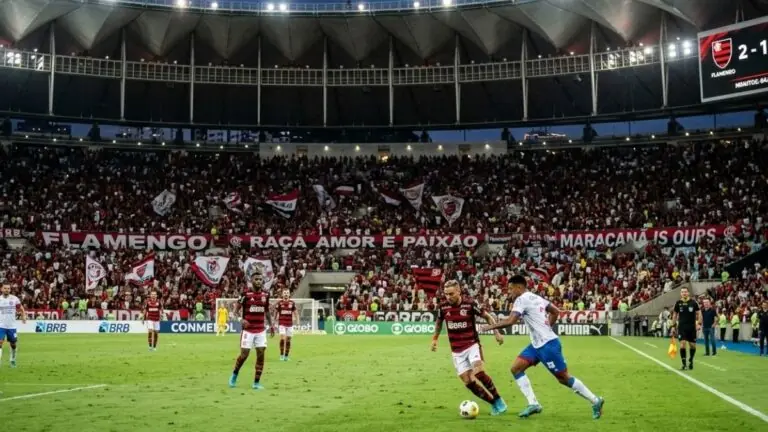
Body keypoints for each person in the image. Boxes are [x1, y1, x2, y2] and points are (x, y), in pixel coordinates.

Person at [480, 275, 604, 419]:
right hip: (537, 345)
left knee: (564, 378)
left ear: (519, 287)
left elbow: (511, 321)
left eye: (511, 288)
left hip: (548, 345)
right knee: (516, 368)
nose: (509, 292)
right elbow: (555, 311)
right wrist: (547, 328)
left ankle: (595, 400)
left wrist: (490, 327)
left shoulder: (521, 299)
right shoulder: (536, 297)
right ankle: (533, 404)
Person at [430, 280, 508, 416]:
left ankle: (499, 400)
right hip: (456, 350)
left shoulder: (470, 304)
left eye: (451, 294)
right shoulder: (443, 307)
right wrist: (434, 339)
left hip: (472, 344)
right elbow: (438, 322)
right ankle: (493, 403)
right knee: (468, 382)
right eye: (446, 294)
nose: (448, 297)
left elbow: (488, 317)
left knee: (479, 372)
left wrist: (496, 332)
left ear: (459, 291)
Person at [229, 271, 274, 389]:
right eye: (256, 279)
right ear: (251, 281)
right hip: (248, 330)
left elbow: (267, 311)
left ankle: (256, 383)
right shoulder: (245, 294)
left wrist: (271, 325)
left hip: (261, 330)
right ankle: (234, 374)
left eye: (260, 279)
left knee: (261, 354)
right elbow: (235, 312)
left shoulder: (266, 294)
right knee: (244, 355)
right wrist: (241, 319)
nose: (258, 281)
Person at [671, 287, 702, 370]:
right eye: (682, 292)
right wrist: (673, 326)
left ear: (688, 293)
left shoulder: (694, 302)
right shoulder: (678, 303)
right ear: (680, 293)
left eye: (685, 292)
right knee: (683, 344)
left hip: (692, 327)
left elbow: (699, 313)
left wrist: (699, 324)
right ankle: (684, 363)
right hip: (682, 327)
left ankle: (691, 360)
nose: (684, 293)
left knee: (692, 346)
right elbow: (674, 315)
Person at [0, 284, 26, 368]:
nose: (7, 290)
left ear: (10, 290)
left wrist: (23, 316)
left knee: (13, 344)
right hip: (1, 325)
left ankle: (13, 359)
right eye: (5, 288)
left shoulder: (15, 299)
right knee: (0, 342)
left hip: (12, 326)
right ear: (1, 289)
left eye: (8, 288)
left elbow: (21, 308)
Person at [275, 289, 298, 361]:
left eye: (287, 293)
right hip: (282, 323)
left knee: (288, 340)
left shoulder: (292, 303)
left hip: (290, 324)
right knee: (282, 338)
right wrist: (274, 320)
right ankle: (281, 355)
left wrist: (297, 321)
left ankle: (286, 356)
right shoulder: (279, 303)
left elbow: (296, 312)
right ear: (282, 294)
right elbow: (276, 312)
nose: (286, 294)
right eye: (284, 293)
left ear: (289, 294)